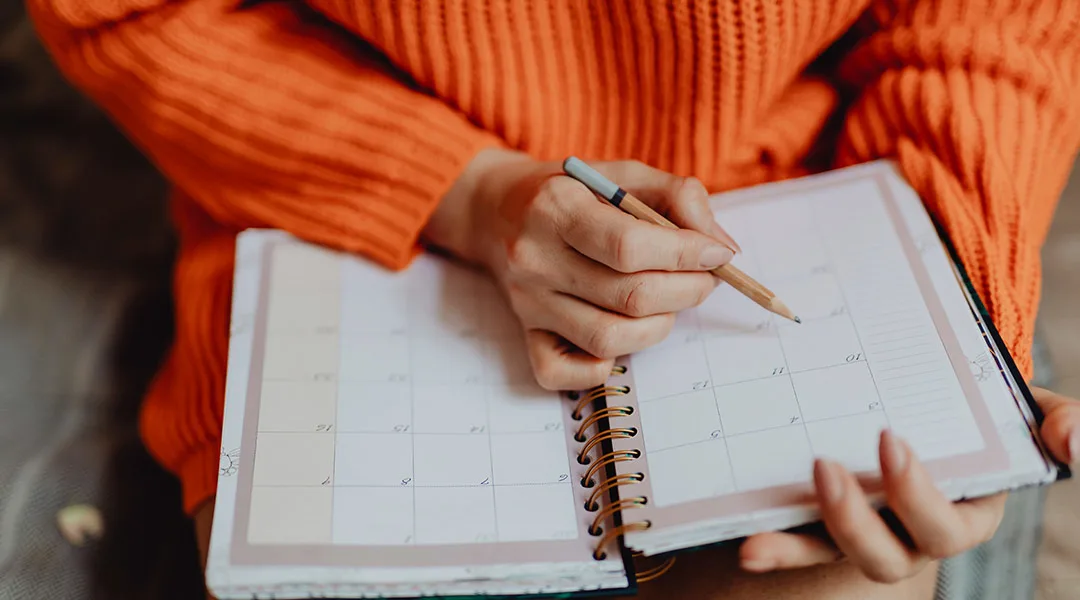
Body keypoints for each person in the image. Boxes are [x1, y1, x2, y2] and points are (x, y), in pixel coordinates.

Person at [26, 0, 1080, 598]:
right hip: (332, 194)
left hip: (789, 204)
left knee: (848, 563)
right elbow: (136, 13)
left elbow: (995, 31)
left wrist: (951, 333)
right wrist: (464, 188)